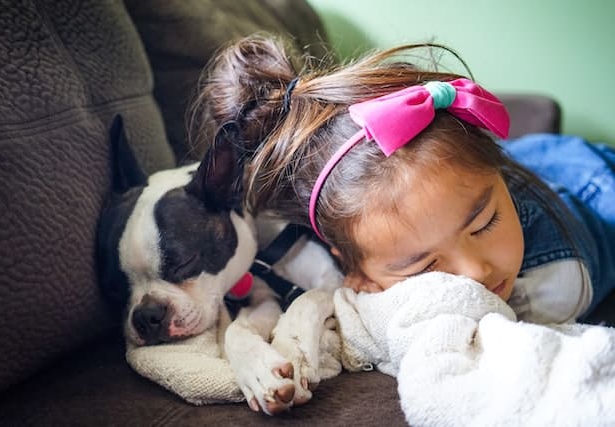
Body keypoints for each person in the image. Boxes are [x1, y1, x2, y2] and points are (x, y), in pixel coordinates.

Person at [192, 34, 615, 324]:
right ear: (353, 268)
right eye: (424, 266)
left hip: (590, 180)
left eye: (485, 222)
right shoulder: (351, 223)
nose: (476, 272)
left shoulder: (557, 284)